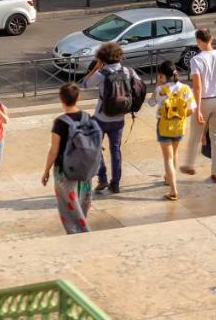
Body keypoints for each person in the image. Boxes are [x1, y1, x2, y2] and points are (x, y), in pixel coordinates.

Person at [83, 42, 143, 194]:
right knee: (115, 150)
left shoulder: (102, 74)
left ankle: (102, 178)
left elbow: (85, 84)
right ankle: (115, 183)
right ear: (119, 56)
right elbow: (140, 87)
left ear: (103, 58)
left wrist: (97, 67)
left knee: (96, 148)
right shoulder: (129, 71)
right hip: (119, 118)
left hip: (101, 118)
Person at [41, 82, 98, 234]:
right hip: (85, 167)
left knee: (68, 205)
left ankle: (79, 232)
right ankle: (82, 227)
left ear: (61, 99)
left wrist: (46, 171)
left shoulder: (60, 122)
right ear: (77, 97)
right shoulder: (87, 117)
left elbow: (54, 150)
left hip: (65, 170)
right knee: (82, 201)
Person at [179, 28, 216, 183]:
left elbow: (197, 87)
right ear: (211, 39)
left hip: (204, 100)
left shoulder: (196, 60)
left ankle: (189, 164)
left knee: (195, 135)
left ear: (198, 41)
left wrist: (197, 109)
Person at [148, 60, 196, 201]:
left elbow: (150, 103)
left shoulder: (160, 89)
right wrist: (179, 116)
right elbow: (191, 109)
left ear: (162, 75)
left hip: (163, 126)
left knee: (167, 158)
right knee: (174, 154)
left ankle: (173, 190)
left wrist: (157, 85)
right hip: (179, 126)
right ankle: (169, 179)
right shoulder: (185, 89)